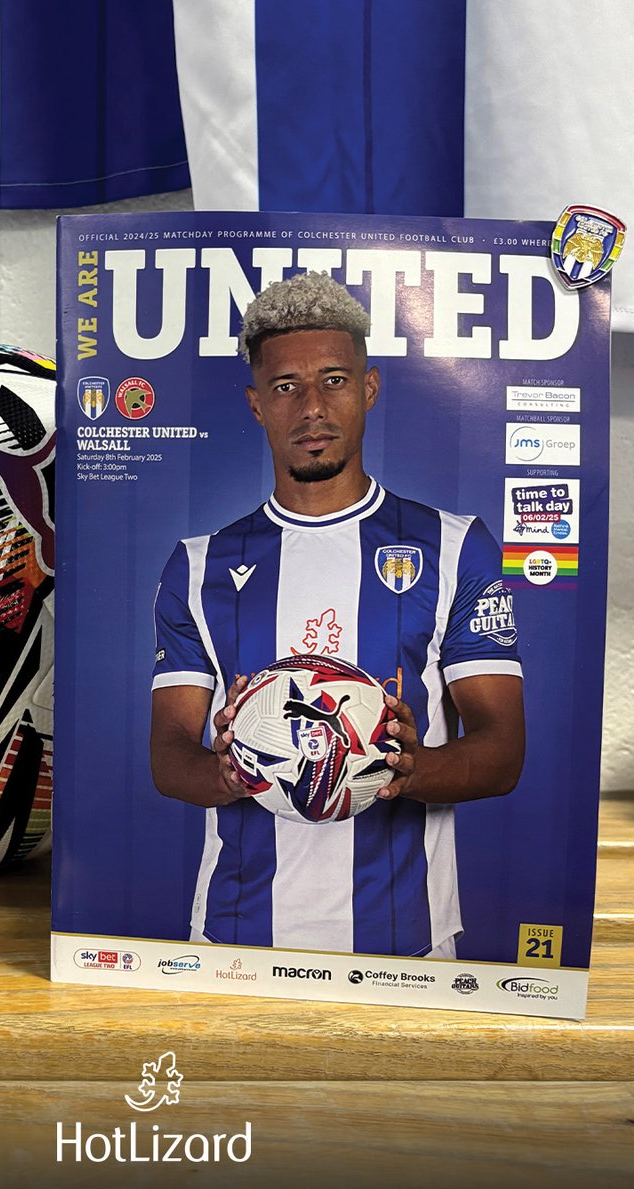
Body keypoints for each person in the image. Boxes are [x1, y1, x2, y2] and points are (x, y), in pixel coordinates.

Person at [149, 271, 524, 959]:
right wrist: (228, 773)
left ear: (369, 389)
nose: (312, 407)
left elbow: (502, 752)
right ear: (257, 405)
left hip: (407, 944)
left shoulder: (453, 546)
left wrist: (412, 769)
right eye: (286, 386)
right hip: (237, 941)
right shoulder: (198, 565)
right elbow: (169, 757)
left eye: (334, 380)